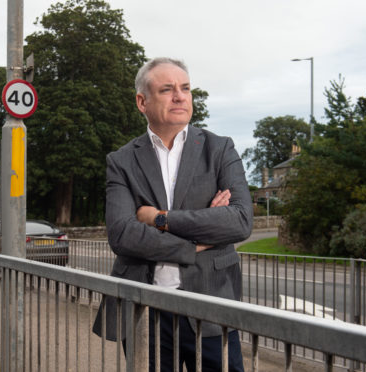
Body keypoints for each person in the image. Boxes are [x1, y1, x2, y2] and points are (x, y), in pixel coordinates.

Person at [92, 57, 253, 372]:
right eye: (167, 90)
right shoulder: (122, 161)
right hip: (145, 309)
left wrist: (158, 219)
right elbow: (123, 234)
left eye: (185, 88)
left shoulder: (219, 149)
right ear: (142, 101)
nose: (180, 97)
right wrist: (195, 243)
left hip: (211, 304)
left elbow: (240, 220)